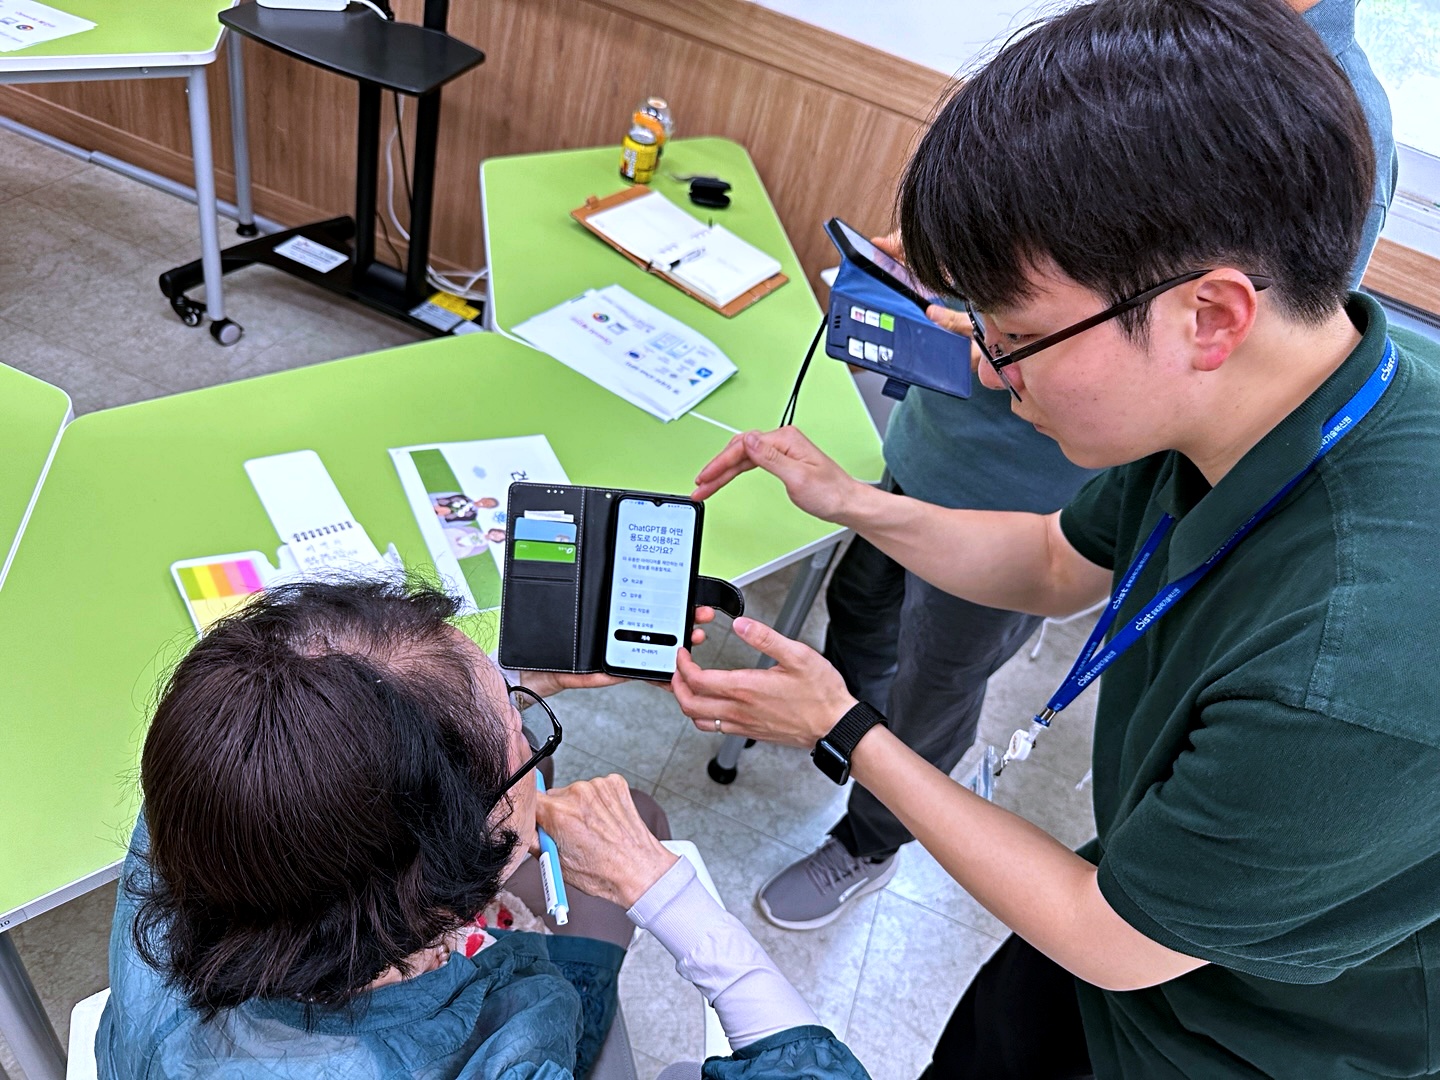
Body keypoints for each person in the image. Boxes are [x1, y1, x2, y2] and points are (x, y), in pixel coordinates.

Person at [670, 0, 1440, 1075]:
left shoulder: (1352, 674)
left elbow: (1111, 938)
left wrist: (844, 728)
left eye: (1019, 337)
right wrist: (848, 500)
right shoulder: (1271, 396)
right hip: (1116, 920)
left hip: (1231, 1039)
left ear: (1211, 317)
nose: (990, 371)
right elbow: (1050, 563)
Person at [97, 579, 869, 1080]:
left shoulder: (215, 780)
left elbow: (326, 743)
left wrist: (491, 693)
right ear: (448, 885)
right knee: (643, 818)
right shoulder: (506, 1056)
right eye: (521, 733)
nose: (527, 727)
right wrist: (667, 892)